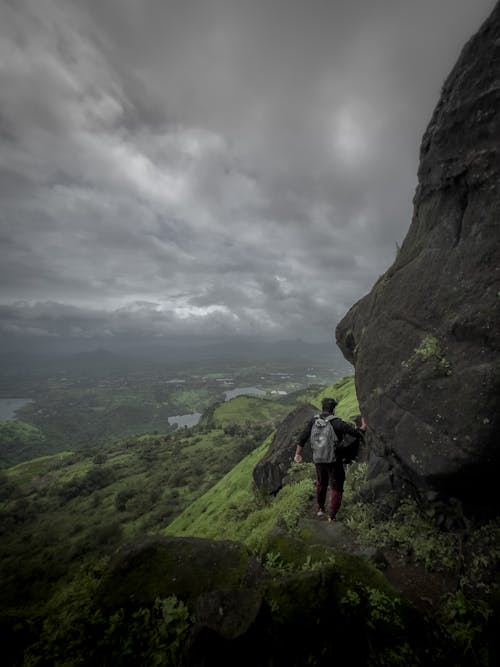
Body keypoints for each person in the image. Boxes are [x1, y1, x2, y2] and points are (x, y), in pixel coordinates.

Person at [294, 397, 367, 523]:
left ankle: (321, 509)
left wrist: (298, 454)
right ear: (334, 409)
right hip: (334, 460)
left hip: (318, 459)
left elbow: (302, 438)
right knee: (337, 487)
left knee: (321, 483)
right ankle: (331, 516)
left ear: (322, 407)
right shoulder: (337, 422)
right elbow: (356, 433)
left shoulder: (314, 421)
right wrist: (363, 426)